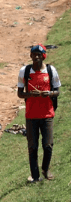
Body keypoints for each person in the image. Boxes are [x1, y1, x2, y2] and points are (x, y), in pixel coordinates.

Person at [17, 44, 61, 182]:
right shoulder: (24, 71)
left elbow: (57, 91)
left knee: (48, 145)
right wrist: (31, 95)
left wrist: (49, 93)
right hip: (31, 115)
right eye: (34, 54)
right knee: (32, 147)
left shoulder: (50, 70)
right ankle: (35, 177)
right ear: (30, 56)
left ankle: (45, 169)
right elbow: (20, 94)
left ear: (44, 56)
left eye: (39, 54)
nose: (36, 57)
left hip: (47, 114)